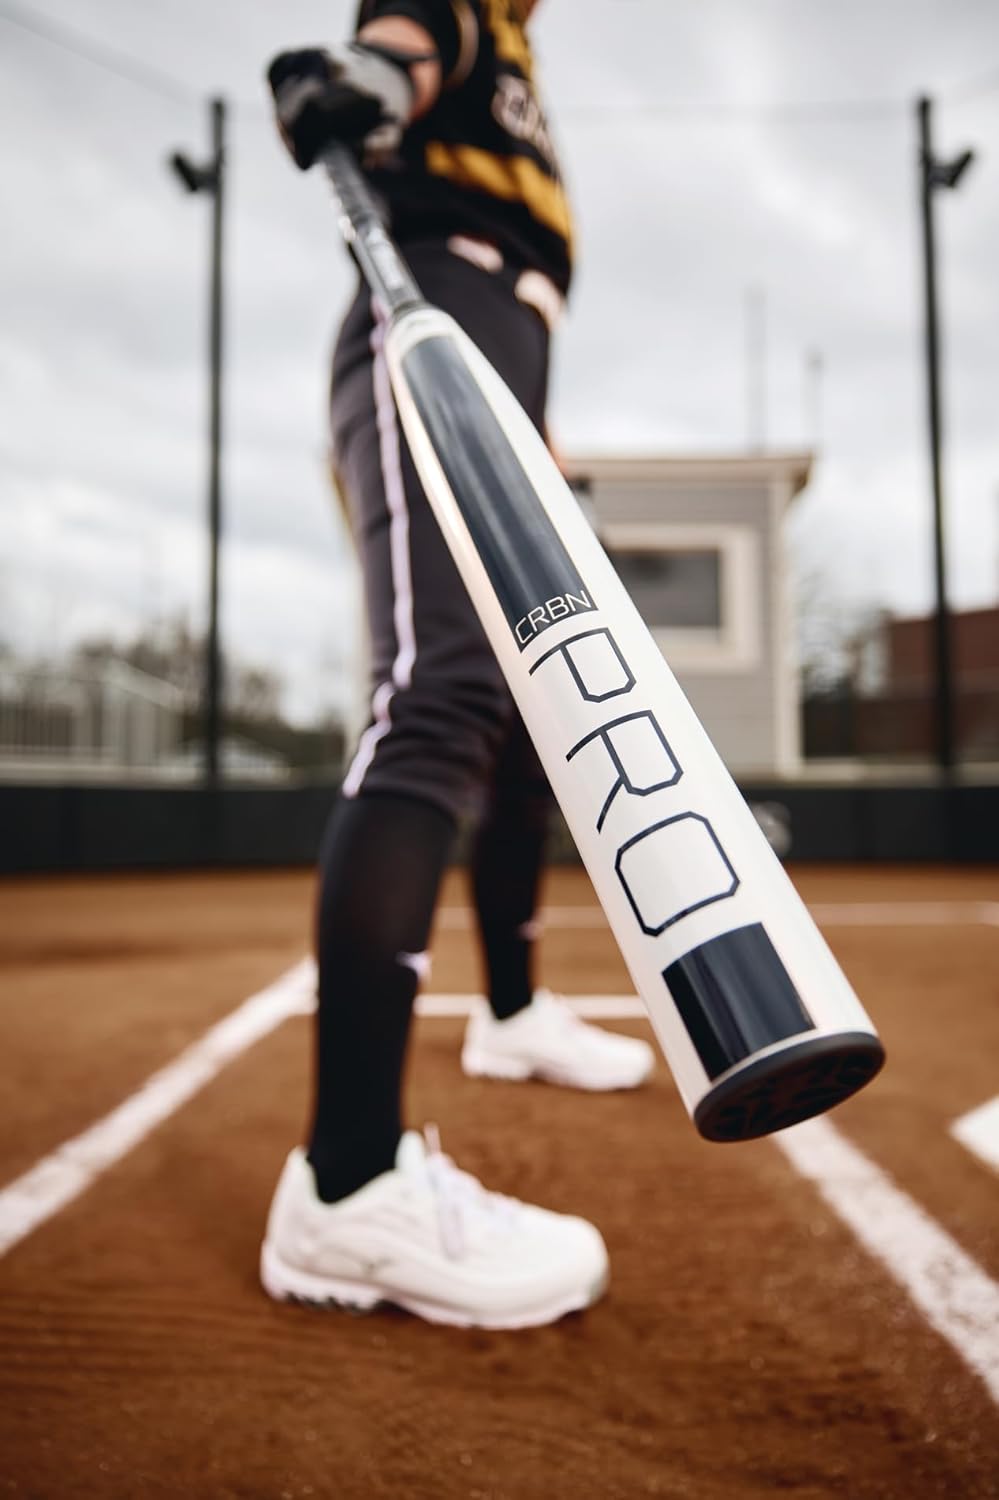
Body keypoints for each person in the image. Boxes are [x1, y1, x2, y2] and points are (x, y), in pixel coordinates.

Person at [261, 0, 654, 1330]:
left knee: (534, 709)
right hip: (436, 308)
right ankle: (349, 1182)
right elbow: (403, 46)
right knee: (437, 696)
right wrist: (366, 77)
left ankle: (515, 1008)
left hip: (505, 342)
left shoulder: (521, 35)